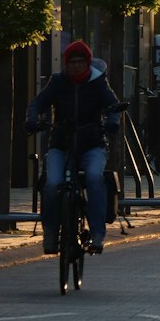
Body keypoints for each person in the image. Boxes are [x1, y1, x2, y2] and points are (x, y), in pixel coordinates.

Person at [26, 39, 120, 255]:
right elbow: (38, 103)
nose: (76, 66)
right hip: (61, 144)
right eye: (72, 62)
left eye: (80, 61)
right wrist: (32, 118)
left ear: (88, 63)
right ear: (66, 64)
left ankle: (97, 234)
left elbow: (112, 105)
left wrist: (112, 121)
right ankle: (50, 232)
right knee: (52, 184)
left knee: (95, 177)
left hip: (91, 145)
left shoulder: (98, 82)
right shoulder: (58, 82)